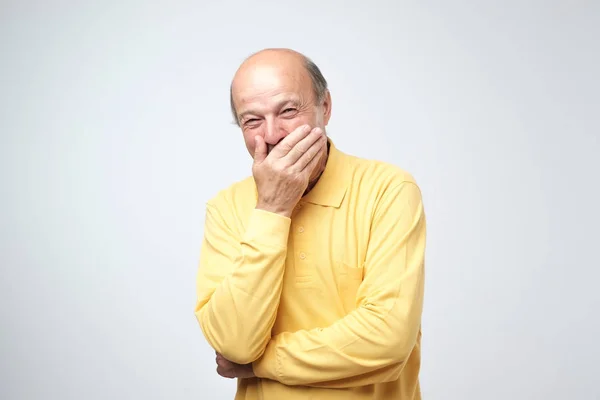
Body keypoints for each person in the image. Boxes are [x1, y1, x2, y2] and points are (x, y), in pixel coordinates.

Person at [194, 48, 427, 400]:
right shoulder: (226, 208)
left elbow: (387, 339)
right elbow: (235, 344)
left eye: (288, 111)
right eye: (252, 121)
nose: (272, 135)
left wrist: (261, 364)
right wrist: (273, 208)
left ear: (325, 107)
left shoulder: (388, 190)